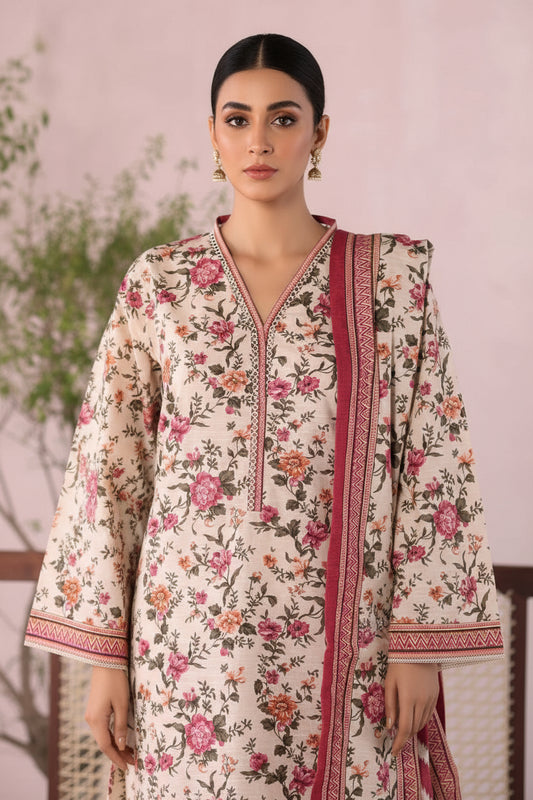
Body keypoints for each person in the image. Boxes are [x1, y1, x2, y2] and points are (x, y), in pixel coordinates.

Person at [25, 33, 504, 800]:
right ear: (212, 134)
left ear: (319, 133)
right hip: (186, 646)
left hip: (346, 652)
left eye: (283, 119)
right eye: (237, 119)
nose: (259, 140)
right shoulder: (162, 282)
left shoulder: (387, 280)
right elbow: (107, 475)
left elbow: (432, 457)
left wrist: (419, 645)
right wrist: (105, 661)